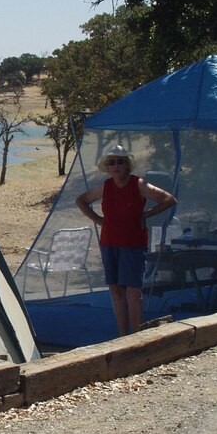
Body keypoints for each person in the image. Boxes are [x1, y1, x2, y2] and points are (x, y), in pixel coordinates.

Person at [75, 144, 177, 337]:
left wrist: (147, 214)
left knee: (133, 293)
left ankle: (137, 336)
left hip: (133, 243)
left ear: (127, 164)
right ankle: (123, 336)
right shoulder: (105, 186)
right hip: (109, 242)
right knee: (116, 292)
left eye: (120, 161)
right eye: (111, 163)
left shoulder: (138, 184)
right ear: (107, 167)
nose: (116, 166)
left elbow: (168, 199)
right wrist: (98, 220)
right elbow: (81, 200)